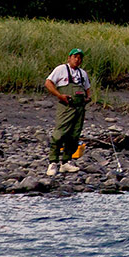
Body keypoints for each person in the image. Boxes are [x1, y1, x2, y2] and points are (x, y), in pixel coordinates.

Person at [43, 48, 92, 177]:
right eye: (75, 56)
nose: (77, 59)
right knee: (59, 133)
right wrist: (60, 96)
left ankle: (66, 162)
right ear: (69, 58)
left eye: (80, 57)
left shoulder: (83, 74)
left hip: (79, 108)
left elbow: (87, 88)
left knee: (75, 135)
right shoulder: (61, 69)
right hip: (66, 106)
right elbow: (48, 83)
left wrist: (87, 98)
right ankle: (53, 162)